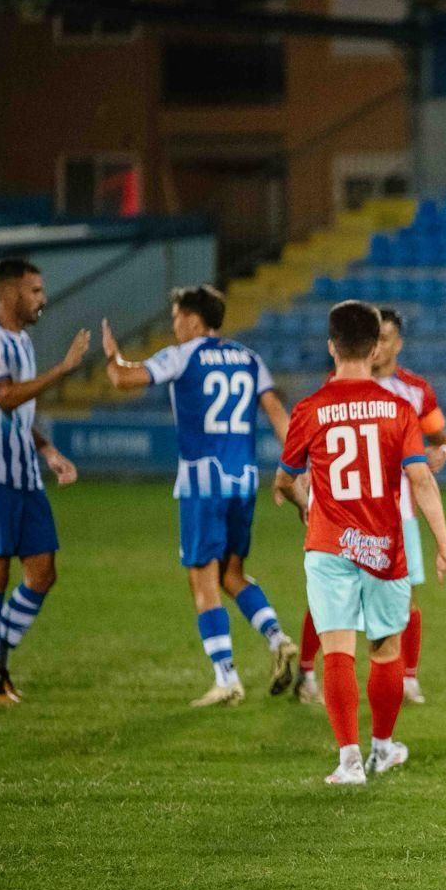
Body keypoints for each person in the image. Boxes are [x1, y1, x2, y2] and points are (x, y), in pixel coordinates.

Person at [271, 301, 446, 786]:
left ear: (331, 346)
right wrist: (444, 544)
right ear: (376, 347)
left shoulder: (309, 410)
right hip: (384, 546)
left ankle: (348, 761)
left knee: (337, 650)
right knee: (384, 649)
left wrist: (303, 504)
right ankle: (382, 748)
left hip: (330, 543)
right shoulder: (398, 408)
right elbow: (419, 480)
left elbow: (286, 480)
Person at [101, 286, 298, 706]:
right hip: (243, 481)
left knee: (203, 579)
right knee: (232, 574)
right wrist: (297, 469)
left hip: (201, 482)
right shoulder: (249, 358)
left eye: (176, 319)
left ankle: (226, 678)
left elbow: (123, 379)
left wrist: (112, 357)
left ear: (192, 320)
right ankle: (277, 637)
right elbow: (279, 413)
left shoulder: (182, 355)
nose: (174, 327)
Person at [0, 258, 88, 705]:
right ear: (10, 293)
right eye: (34, 291)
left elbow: (19, 413)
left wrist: (48, 451)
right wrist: (63, 369)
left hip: (24, 473)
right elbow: (5, 396)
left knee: (43, 571)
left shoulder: (23, 342)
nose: (42, 299)